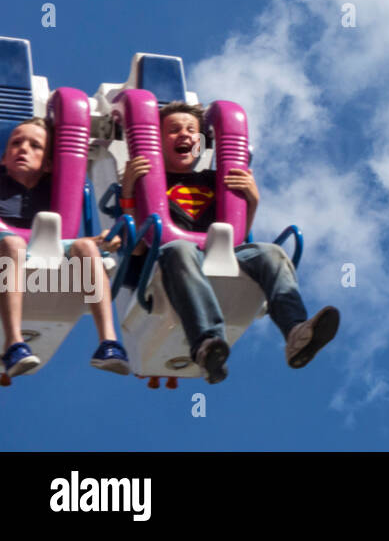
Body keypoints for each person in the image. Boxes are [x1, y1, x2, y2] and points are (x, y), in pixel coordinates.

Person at [119, 102, 339, 383]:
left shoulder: (214, 180)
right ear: (156, 140)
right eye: (173, 130)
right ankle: (207, 343)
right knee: (179, 248)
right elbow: (136, 250)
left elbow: (235, 240)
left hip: (219, 257)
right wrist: (128, 196)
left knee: (271, 253)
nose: (184, 135)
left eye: (191, 130)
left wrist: (252, 202)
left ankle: (297, 332)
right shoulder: (143, 184)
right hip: (164, 266)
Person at [0, 117, 128, 377]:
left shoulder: (55, 192)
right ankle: (13, 343)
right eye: (16, 143)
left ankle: (109, 343)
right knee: (13, 243)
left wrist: (102, 242)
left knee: (85, 247)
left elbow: (61, 243)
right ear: (3, 157)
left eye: (35, 146)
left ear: (48, 164)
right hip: (7, 245)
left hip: (43, 247)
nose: (24, 148)